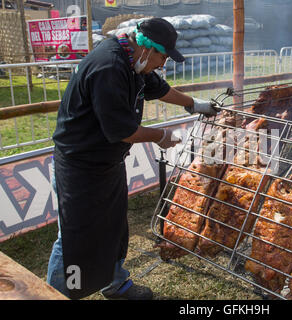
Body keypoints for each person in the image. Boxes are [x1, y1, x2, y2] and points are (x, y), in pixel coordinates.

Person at [46, 17, 218, 300]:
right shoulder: (109, 66)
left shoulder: (132, 59)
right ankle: (52, 295)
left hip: (106, 164)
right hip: (79, 166)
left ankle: (114, 284)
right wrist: (160, 136)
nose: (162, 65)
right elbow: (120, 130)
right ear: (148, 48)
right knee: (75, 239)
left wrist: (193, 104)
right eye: (162, 57)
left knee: (113, 227)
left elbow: (158, 88)